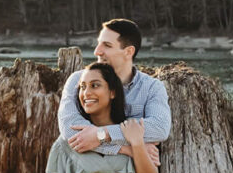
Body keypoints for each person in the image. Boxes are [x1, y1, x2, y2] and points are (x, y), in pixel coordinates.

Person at [59, 18, 171, 163]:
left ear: (128, 51)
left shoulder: (151, 88)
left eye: (107, 45)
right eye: (98, 43)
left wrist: (101, 134)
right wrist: (128, 149)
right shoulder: (78, 80)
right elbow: (70, 132)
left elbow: (159, 129)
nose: (97, 51)